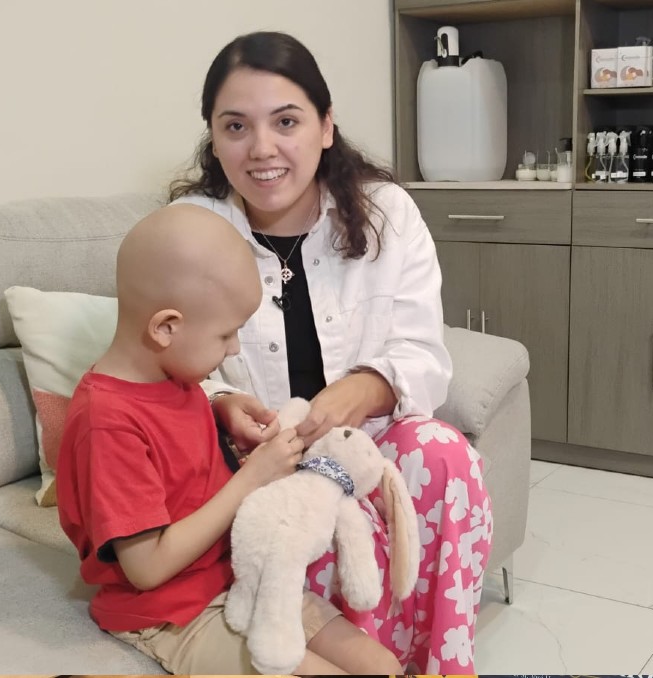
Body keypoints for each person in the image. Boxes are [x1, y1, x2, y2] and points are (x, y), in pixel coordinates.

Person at [169, 31, 493, 673]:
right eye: (236, 126)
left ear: (325, 125)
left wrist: (366, 386)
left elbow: (423, 349)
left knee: (445, 455)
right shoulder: (193, 229)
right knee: (299, 524)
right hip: (258, 464)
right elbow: (161, 357)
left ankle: (440, 665)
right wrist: (223, 401)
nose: (261, 149)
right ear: (213, 135)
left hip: (368, 443)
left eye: (285, 121)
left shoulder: (386, 214)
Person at [55, 203, 402, 675]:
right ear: (166, 328)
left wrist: (222, 407)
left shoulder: (172, 376)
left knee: (380, 664)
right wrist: (251, 480)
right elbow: (148, 567)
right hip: (171, 614)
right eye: (226, 334)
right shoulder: (106, 424)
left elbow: (176, 433)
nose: (235, 348)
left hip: (243, 581)